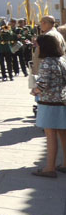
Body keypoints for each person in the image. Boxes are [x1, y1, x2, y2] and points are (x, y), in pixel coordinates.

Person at [31, 34, 66, 178]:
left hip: (49, 102)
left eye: (38, 46)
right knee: (63, 134)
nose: (37, 49)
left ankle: (49, 168)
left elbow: (44, 83)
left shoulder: (46, 62)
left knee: (50, 136)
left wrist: (34, 90)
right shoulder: (61, 60)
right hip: (62, 100)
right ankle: (65, 164)